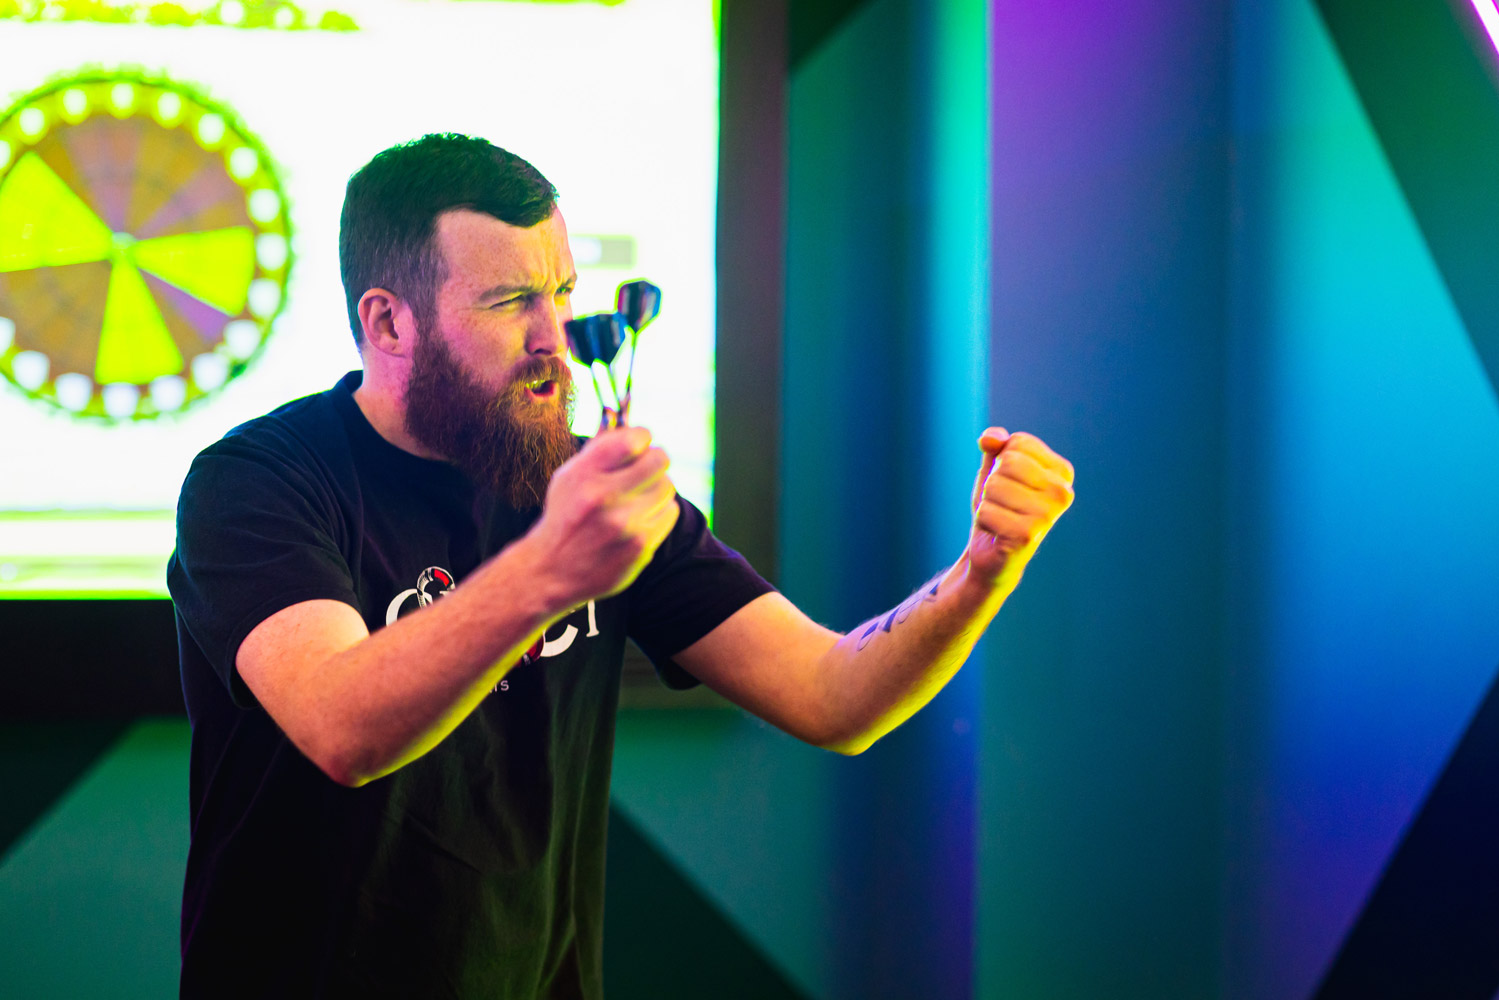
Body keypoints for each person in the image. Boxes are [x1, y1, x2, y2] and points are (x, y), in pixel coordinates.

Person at [168, 133, 1074, 998]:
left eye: (561, 293)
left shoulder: (578, 483)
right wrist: (554, 569)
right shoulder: (259, 483)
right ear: (389, 321)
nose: (554, 336)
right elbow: (341, 727)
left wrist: (982, 571)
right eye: (509, 301)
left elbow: (837, 696)